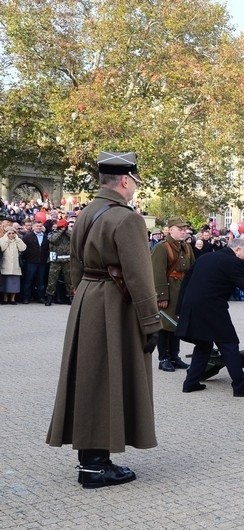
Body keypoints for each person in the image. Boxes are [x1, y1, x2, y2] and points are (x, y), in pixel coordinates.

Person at [47, 151, 161, 489]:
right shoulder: (127, 218)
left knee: (90, 380)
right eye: (135, 183)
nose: (135, 189)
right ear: (126, 180)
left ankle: (93, 462)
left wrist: (84, 299)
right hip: (115, 304)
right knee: (108, 379)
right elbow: (140, 277)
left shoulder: (86, 213)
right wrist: (151, 322)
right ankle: (96, 468)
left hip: (88, 298)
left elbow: (76, 269)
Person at [178, 238, 244, 398]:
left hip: (192, 306)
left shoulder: (205, 257)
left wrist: (180, 308)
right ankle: (241, 386)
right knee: (229, 344)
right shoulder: (233, 262)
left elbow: (186, 282)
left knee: (203, 344)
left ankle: (190, 382)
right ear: (237, 250)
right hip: (212, 308)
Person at [150, 217, 195, 372]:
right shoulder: (162, 247)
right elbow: (157, 273)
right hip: (168, 290)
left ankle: (175, 356)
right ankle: (164, 358)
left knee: (177, 325)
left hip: (181, 291)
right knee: (164, 326)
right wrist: (161, 296)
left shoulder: (186, 247)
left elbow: (191, 270)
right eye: (180, 229)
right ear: (169, 229)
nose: (183, 231)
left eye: (185, 229)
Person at [45, 219, 72, 306]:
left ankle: (70, 297)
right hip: (55, 260)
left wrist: (66, 230)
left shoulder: (69, 233)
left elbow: (74, 237)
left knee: (69, 280)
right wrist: (60, 231)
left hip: (67, 260)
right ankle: (49, 297)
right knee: (52, 280)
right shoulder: (52, 233)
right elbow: (53, 240)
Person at [21, 219, 49, 303]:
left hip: (42, 262)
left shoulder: (46, 236)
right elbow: (23, 248)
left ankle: (40, 297)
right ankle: (26, 297)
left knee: (41, 281)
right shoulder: (27, 236)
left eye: (40, 226)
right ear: (33, 227)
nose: (39, 227)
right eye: (37, 226)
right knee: (28, 280)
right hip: (30, 262)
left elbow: (48, 248)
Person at [0, 225, 26, 304]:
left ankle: (13, 299)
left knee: (14, 283)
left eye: (13, 233)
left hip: (15, 265)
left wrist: (17, 239)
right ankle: (5, 299)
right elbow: (2, 248)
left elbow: (23, 248)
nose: (11, 235)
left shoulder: (17, 240)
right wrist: (6, 239)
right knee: (5, 283)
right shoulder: (2, 240)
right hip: (5, 264)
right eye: (9, 233)